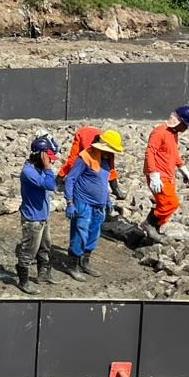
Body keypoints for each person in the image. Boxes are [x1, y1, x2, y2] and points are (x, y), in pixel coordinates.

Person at [63, 129, 125, 281]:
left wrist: (108, 201)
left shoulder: (107, 160)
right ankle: (73, 265)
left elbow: (103, 182)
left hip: (99, 205)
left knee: (93, 233)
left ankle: (85, 261)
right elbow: (70, 179)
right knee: (80, 232)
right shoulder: (85, 157)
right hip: (83, 202)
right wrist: (70, 202)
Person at [142, 106, 189, 242]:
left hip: (169, 176)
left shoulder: (173, 134)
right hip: (159, 176)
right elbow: (150, 153)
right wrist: (153, 175)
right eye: (185, 125)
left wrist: (185, 171)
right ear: (178, 120)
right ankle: (149, 224)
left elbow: (174, 155)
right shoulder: (159, 132)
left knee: (165, 204)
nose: (186, 128)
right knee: (171, 203)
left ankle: (154, 230)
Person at [17, 134, 61, 295]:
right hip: (32, 220)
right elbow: (50, 185)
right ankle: (23, 281)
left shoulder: (38, 168)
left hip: (43, 216)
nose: (51, 161)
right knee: (29, 251)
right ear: (40, 155)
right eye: (48, 157)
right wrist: (48, 167)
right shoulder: (29, 172)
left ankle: (43, 274)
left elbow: (56, 150)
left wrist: (53, 145)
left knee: (45, 247)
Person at [57, 126, 126, 201]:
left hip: (104, 140)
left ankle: (115, 189)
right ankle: (58, 180)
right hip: (84, 135)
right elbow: (72, 161)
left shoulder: (109, 147)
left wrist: (115, 189)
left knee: (108, 165)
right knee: (73, 161)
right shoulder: (89, 150)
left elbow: (111, 169)